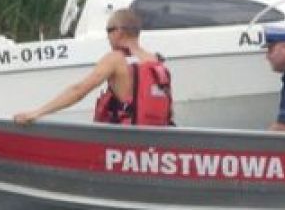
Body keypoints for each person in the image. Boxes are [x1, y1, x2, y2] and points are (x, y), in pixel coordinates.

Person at [14, 8, 173, 126]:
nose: (107, 37)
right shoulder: (156, 61)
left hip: (124, 141)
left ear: (118, 32)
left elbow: (79, 90)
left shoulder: (116, 59)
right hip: (152, 142)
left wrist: (36, 113)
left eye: (108, 31)